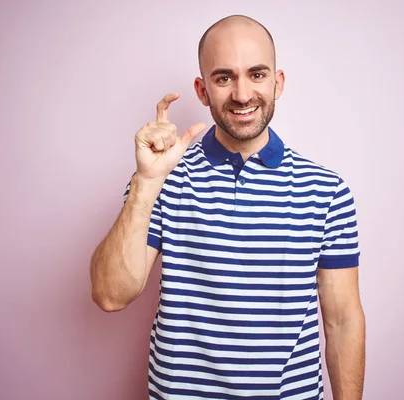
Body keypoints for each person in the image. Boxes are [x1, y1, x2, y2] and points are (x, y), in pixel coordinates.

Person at [90, 14, 365, 399]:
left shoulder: (327, 191)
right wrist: (147, 183)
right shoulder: (162, 179)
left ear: (278, 82)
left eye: (256, 74)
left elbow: (342, 321)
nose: (241, 94)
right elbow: (110, 295)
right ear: (202, 91)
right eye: (224, 78)